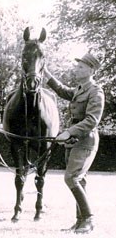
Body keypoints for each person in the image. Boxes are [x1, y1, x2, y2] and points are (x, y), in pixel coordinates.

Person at [43, 53, 105, 234]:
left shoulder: (96, 91)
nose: (76, 69)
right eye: (77, 66)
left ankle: (89, 219)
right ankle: (80, 222)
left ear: (91, 70)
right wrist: (46, 73)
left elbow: (92, 120)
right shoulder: (80, 89)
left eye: (81, 67)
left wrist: (69, 131)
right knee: (79, 180)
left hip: (86, 141)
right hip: (75, 141)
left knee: (71, 178)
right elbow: (62, 90)